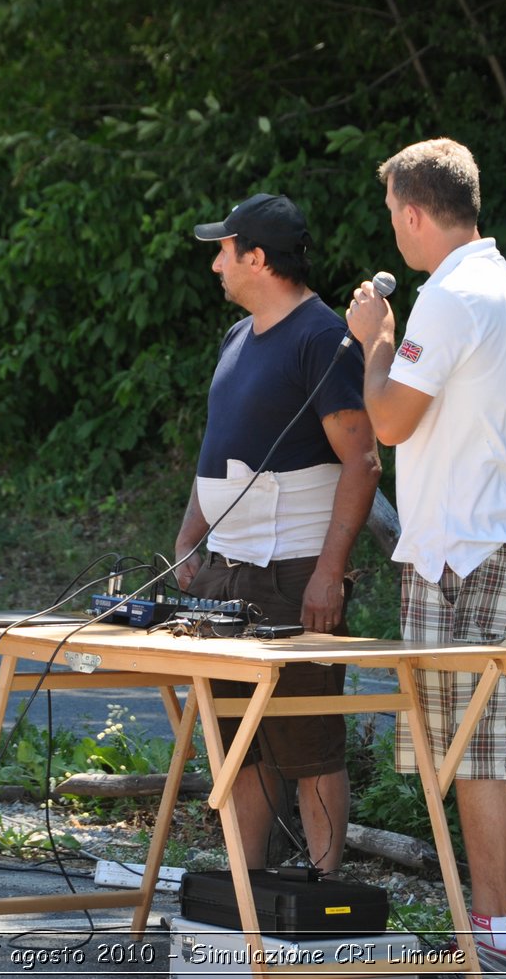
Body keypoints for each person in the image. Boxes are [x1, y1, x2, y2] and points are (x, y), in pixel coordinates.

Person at [347, 139, 506, 974]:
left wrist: (376, 339)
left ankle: (492, 930)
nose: (393, 231)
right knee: (489, 741)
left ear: (411, 212)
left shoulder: (442, 297)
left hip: (458, 549)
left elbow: (392, 420)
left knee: (468, 748)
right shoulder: (505, 282)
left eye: (391, 215)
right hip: (500, 533)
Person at [175, 193, 381, 876]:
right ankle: (245, 889)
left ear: (257, 257)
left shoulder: (324, 337)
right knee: (239, 747)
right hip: (225, 574)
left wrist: (331, 570)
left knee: (309, 744)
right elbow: (218, 449)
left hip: (294, 574)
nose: (215, 264)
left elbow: (362, 457)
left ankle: (324, 889)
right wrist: (187, 542)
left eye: (224, 250)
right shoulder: (236, 339)